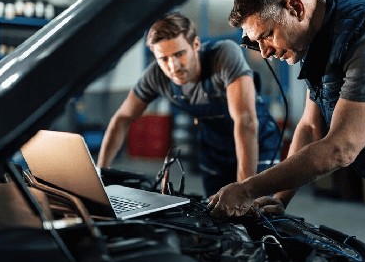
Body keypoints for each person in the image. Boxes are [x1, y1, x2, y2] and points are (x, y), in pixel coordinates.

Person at [208, 0, 365, 219]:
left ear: (296, 8)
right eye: (255, 43)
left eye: (266, 35)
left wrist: (247, 189)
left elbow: (342, 148)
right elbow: (311, 127)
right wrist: (279, 199)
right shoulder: (318, 40)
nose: (265, 52)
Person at [97, 12, 281, 198]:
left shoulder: (223, 56)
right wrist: (101, 174)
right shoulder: (155, 76)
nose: (173, 66)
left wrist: (243, 192)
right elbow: (122, 118)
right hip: (214, 149)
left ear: (196, 45)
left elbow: (245, 121)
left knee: (257, 213)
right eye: (164, 59)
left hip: (257, 141)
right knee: (217, 214)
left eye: (180, 54)